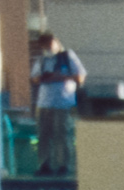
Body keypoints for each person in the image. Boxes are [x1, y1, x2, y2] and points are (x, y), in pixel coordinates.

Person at [32, 34, 86, 177]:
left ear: (56, 43)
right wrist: (45, 77)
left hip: (63, 103)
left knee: (61, 135)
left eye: (50, 44)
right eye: (45, 45)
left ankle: (63, 165)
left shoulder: (68, 57)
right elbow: (35, 78)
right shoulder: (42, 60)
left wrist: (60, 77)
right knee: (43, 135)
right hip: (44, 103)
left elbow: (80, 76)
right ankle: (44, 164)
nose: (48, 47)